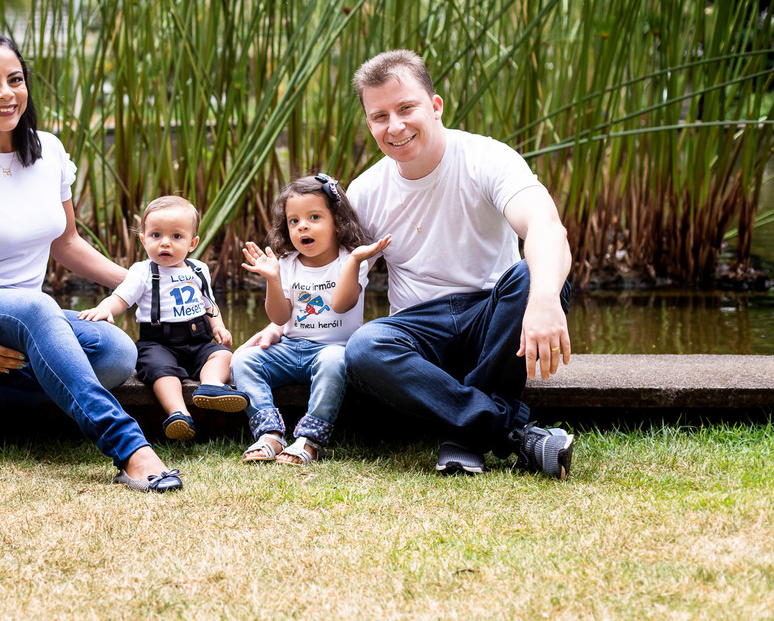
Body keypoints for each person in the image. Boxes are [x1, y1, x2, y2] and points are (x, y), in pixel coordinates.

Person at [245, 50, 575, 478]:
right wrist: (282, 323)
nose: (395, 127)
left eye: (406, 108)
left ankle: (467, 436)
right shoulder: (364, 194)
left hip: (491, 320)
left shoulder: (487, 158)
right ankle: (513, 434)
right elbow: (328, 274)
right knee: (365, 347)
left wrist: (545, 300)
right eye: (379, 116)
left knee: (533, 275)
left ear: (435, 106)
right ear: (369, 124)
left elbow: (547, 228)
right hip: (421, 332)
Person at [0, 31, 182, 492]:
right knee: (37, 306)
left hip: (27, 323)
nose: (6, 94)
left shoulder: (47, 152)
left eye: (15, 79)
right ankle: (131, 447)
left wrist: (144, 281)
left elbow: (66, 242)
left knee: (116, 353)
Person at [232, 174, 391, 465]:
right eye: (294, 221)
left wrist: (356, 261)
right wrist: (272, 279)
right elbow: (279, 316)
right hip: (292, 348)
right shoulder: (287, 264)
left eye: (314, 217)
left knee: (334, 360)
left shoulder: (351, 260)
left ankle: (310, 439)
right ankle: (270, 434)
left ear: (337, 223)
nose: (302, 226)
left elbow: (342, 305)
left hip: (333, 352)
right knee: (243, 360)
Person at [78, 196, 248, 441]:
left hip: (198, 340)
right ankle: (178, 413)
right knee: (160, 370)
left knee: (222, 355)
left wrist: (218, 326)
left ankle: (210, 386)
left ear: (193, 242)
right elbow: (121, 297)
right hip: (159, 343)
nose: (165, 243)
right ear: (143, 239)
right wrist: (105, 309)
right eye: (156, 235)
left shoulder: (199, 269)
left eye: (176, 237)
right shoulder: (143, 271)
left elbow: (209, 303)